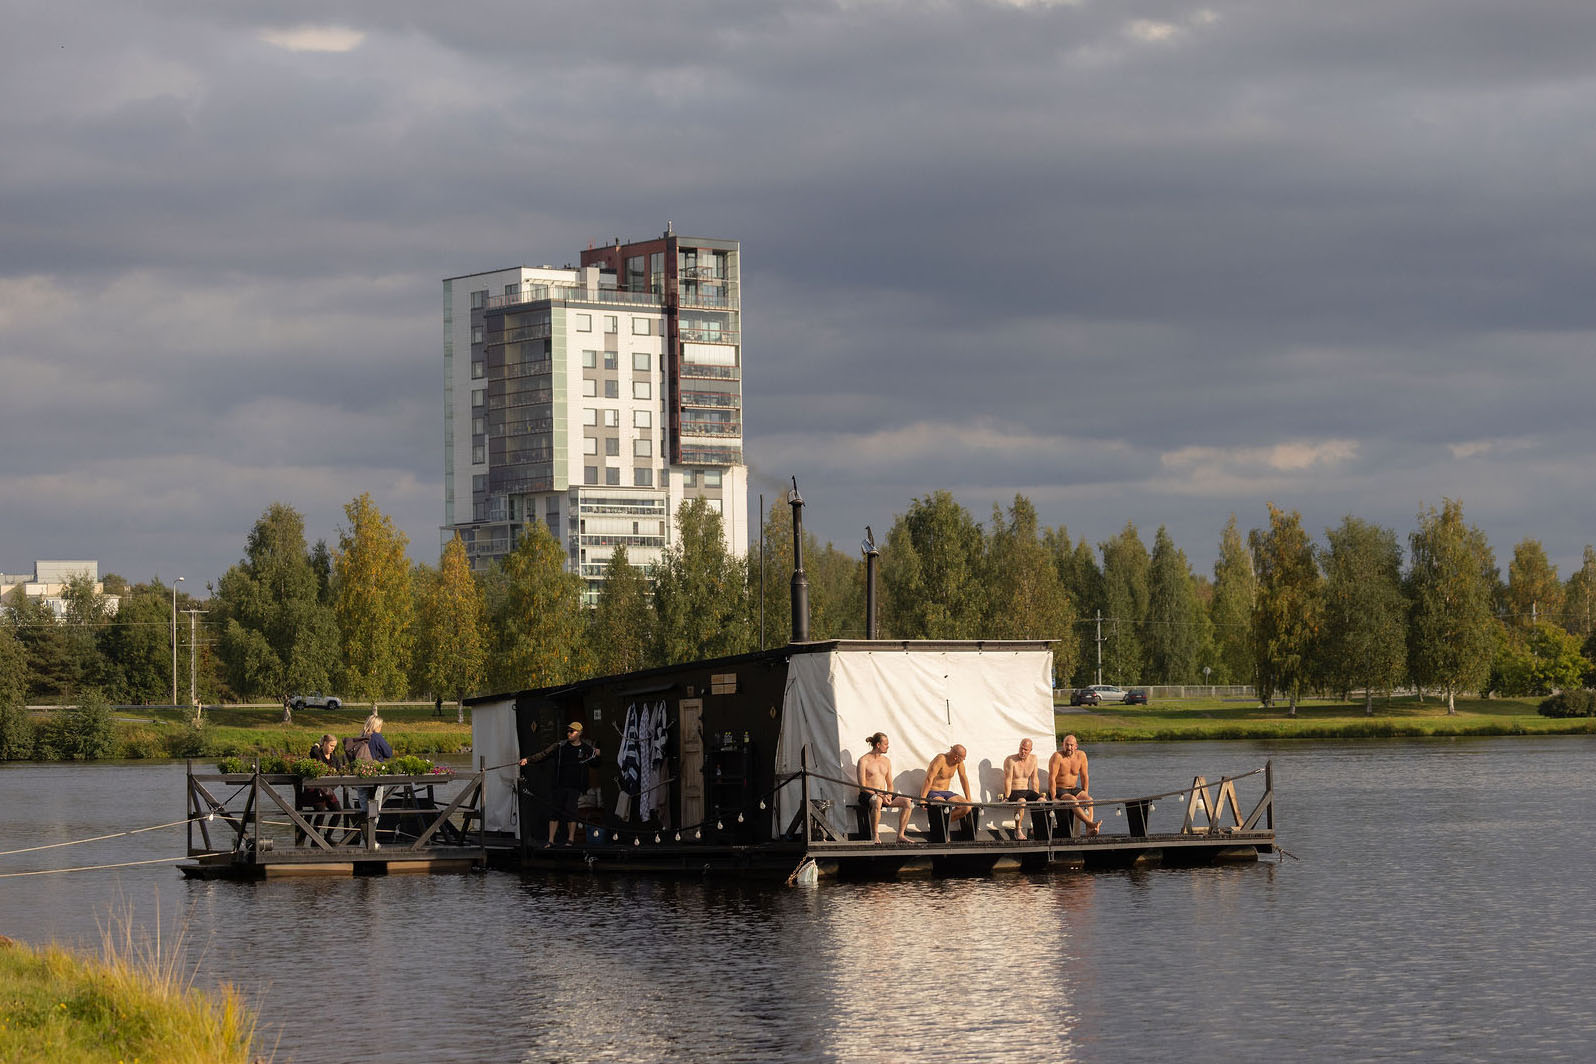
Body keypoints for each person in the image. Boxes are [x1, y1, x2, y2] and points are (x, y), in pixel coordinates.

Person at [519, 722, 602, 846]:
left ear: (579, 733)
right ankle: (551, 840)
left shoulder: (585, 748)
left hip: (575, 786)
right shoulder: (560, 746)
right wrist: (528, 760)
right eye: (568, 731)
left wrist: (597, 755)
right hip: (558, 785)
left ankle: (570, 840)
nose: (568, 733)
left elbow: (595, 764)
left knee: (571, 812)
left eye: (572, 731)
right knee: (554, 812)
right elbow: (544, 754)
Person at [856, 732, 918, 843]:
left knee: (908, 802)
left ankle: (900, 835)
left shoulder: (886, 761)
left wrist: (889, 795)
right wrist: (879, 795)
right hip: (868, 795)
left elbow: (890, 784)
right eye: (886, 744)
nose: (888, 746)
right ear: (878, 745)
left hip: (883, 795)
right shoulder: (863, 761)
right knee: (878, 801)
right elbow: (862, 786)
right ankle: (875, 835)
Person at [1048, 734, 1101, 835]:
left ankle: (1089, 830)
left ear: (1076, 746)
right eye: (1066, 745)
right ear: (1062, 745)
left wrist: (1085, 792)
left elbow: (1084, 776)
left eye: (1071, 745)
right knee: (1073, 800)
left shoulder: (1081, 756)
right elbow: (1051, 777)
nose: (1069, 748)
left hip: (1074, 788)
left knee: (1089, 799)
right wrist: (1054, 797)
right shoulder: (1057, 756)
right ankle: (1090, 824)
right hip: (1060, 789)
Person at [920, 744, 974, 828]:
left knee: (967, 807)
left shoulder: (958, 763)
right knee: (943, 805)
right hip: (933, 791)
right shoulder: (941, 759)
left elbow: (963, 778)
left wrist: (968, 799)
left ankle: (941, 825)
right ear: (956, 757)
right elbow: (929, 779)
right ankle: (941, 826)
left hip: (946, 792)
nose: (964, 760)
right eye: (963, 758)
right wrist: (922, 799)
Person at [1002, 738, 1043, 840]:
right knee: (1022, 801)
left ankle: (1037, 827)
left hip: (1026, 790)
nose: (1023, 751)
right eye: (1021, 748)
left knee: (1042, 801)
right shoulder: (1010, 760)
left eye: (1025, 749)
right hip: (1014, 791)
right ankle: (1018, 829)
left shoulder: (1033, 759)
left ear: (1030, 750)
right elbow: (1008, 780)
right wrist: (1007, 796)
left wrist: (1036, 795)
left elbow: (1034, 779)